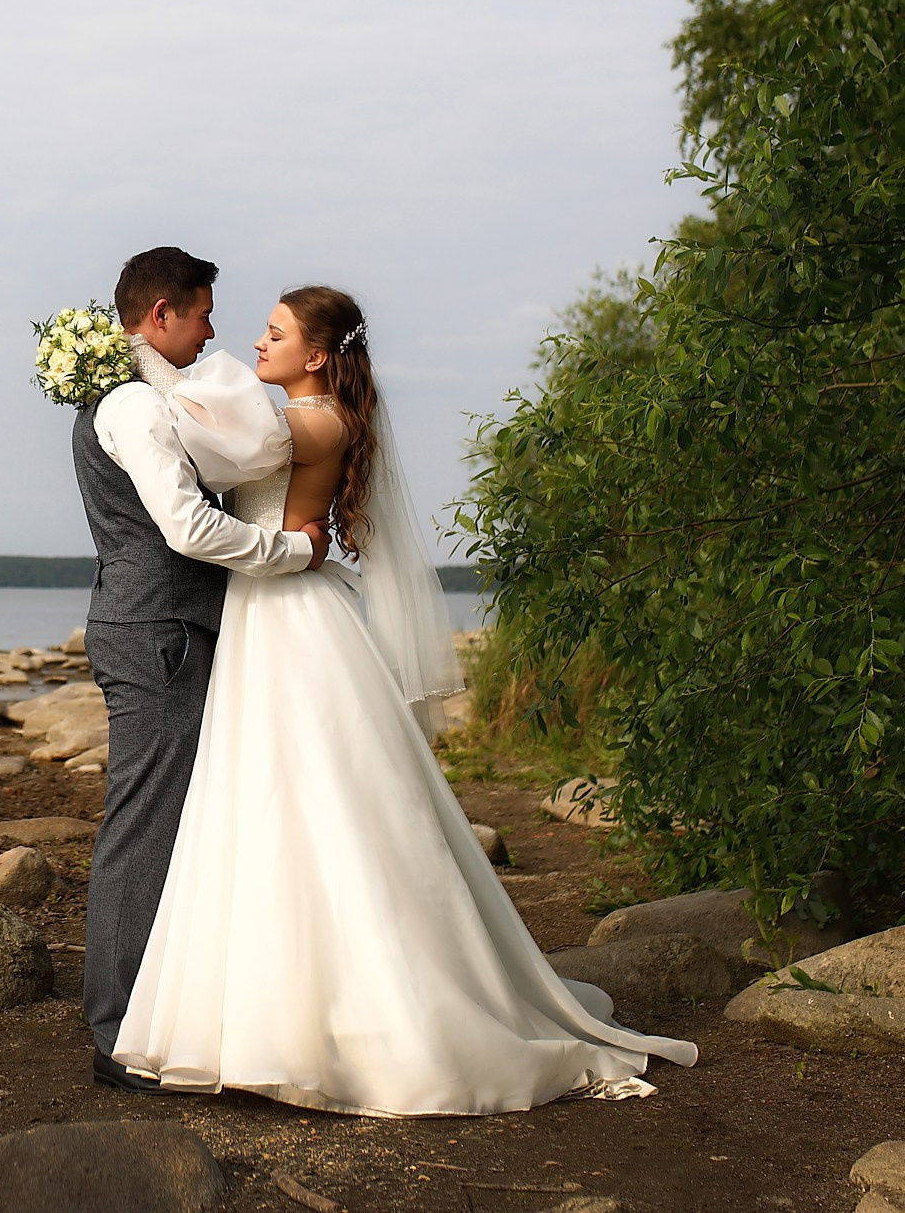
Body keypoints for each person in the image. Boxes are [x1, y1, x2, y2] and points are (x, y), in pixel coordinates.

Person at [107, 283, 698, 1113]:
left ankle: (349, 1016)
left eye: (275, 334)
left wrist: (128, 372)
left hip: (289, 617)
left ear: (316, 356)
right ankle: (284, 1011)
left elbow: (196, 445)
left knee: (313, 806)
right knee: (276, 805)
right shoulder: (304, 418)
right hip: (270, 610)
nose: (256, 344)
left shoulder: (309, 422)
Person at [70, 246, 329, 1092]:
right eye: (204, 312)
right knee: (144, 827)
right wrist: (287, 551)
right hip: (158, 634)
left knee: (176, 827)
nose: (215, 329)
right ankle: (115, 1036)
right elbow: (186, 528)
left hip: (161, 625)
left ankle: (160, 1012)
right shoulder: (133, 408)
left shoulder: (150, 400)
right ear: (160, 316)